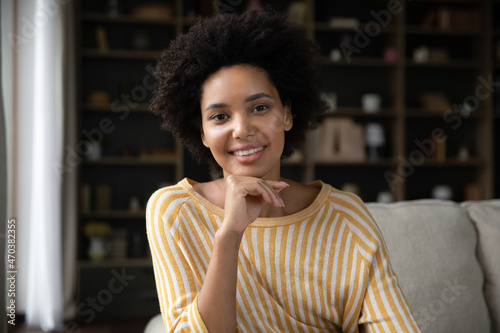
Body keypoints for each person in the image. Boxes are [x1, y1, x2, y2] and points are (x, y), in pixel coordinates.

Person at [146, 9, 421, 333]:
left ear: (287, 114)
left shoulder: (346, 216)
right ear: (202, 133)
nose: (242, 129)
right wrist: (229, 236)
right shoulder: (175, 211)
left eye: (260, 108)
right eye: (220, 116)